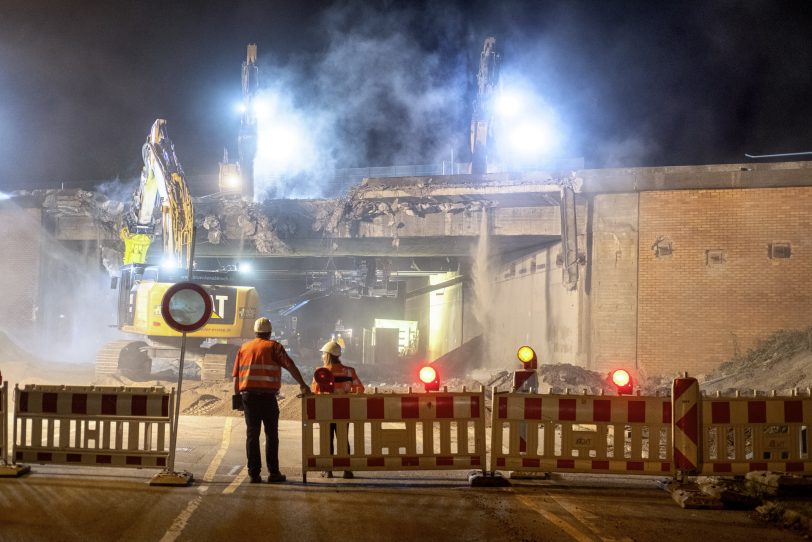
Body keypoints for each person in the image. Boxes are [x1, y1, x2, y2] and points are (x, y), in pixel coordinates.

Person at [233, 317, 311, 484]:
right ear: (269, 332)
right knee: (271, 435)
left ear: (255, 332)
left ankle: (254, 474)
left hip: (248, 397)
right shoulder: (274, 347)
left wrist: (237, 398)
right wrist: (303, 385)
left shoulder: (244, 348)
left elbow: (236, 376)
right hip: (268, 398)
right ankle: (273, 473)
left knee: (252, 435)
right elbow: (290, 365)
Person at [312, 340, 364, 479]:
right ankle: (347, 470)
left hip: (326, 411)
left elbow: (315, 391)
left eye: (323, 353)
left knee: (327, 439)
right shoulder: (349, 371)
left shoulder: (321, 372)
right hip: (344, 411)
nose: (322, 356)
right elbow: (360, 389)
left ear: (328, 355)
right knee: (343, 439)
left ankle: (328, 470)